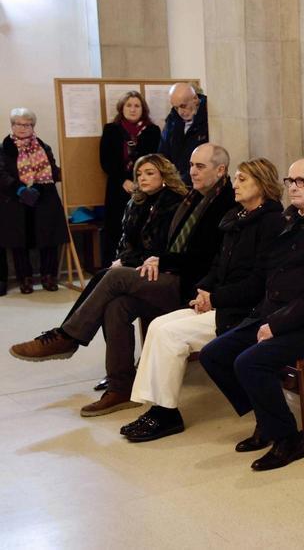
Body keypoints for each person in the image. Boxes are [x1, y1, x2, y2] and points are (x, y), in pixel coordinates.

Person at [9, 149, 232, 416]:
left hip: (194, 286)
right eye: (191, 164)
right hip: (172, 273)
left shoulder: (224, 202)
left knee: (112, 277)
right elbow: (163, 244)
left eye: (200, 166)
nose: (193, 171)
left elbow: (206, 257)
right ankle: (121, 387)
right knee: (117, 306)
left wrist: (161, 260)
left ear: (220, 171)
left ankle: (68, 336)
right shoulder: (195, 197)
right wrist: (155, 259)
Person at [198, 157, 304, 471]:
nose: (293, 187)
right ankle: (266, 420)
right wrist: (264, 316)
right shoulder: (293, 219)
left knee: (250, 361)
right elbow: (274, 272)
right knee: (214, 354)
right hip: (278, 312)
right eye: (290, 181)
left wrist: (277, 324)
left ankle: (287, 439)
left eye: (301, 181)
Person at [121, 158, 285, 442]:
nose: (235, 184)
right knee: (159, 325)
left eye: (243, 179)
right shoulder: (238, 217)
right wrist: (204, 291)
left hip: (243, 311)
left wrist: (216, 298)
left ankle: (165, 413)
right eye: (235, 178)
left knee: (171, 335)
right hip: (220, 301)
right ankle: (158, 408)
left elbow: (260, 282)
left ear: (262, 183)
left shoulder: (270, 222)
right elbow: (217, 265)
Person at [1, 108, 69, 295]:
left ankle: (49, 276)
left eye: (27, 124)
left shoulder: (43, 146)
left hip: (43, 198)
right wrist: (20, 189)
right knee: (19, 241)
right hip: (15, 199)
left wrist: (37, 187)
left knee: (49, 239)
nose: (22, 128)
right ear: (12, 125)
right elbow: (1, 174)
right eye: (18, 124)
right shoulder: (5, 147)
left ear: (33, 126)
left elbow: (53, 171)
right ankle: (25, 278)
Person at [99, 91, 162, 263]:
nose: (133, 109)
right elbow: (106, 161)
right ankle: (111, 267)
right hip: (118, 186)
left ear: (143, 109)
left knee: (141, 227)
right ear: (121, 108)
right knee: (115, 228)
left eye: (137, 105)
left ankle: (136, 264)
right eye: (129, 105)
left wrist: (139, 181)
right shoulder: (111, 130)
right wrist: (123, 180)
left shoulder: (152, 130)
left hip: (145, 186)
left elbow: (154, 159)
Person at [159, 83, 209, 187]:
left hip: (198, 183)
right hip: (174, 184)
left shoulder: (209, 118)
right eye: (176, 108)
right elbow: (163, 153)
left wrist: (182, 181)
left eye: (183, 106)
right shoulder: (172, 120)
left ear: (195, 99)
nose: (180, 112)